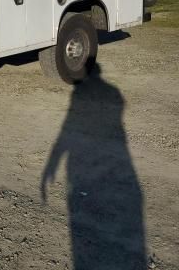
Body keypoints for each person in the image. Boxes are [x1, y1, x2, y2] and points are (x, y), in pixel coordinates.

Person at [41, 65, 147, 269]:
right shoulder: (113, 92)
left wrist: (52, 164)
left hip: (84, 163)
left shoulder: (80, 93)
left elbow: (66, 127)